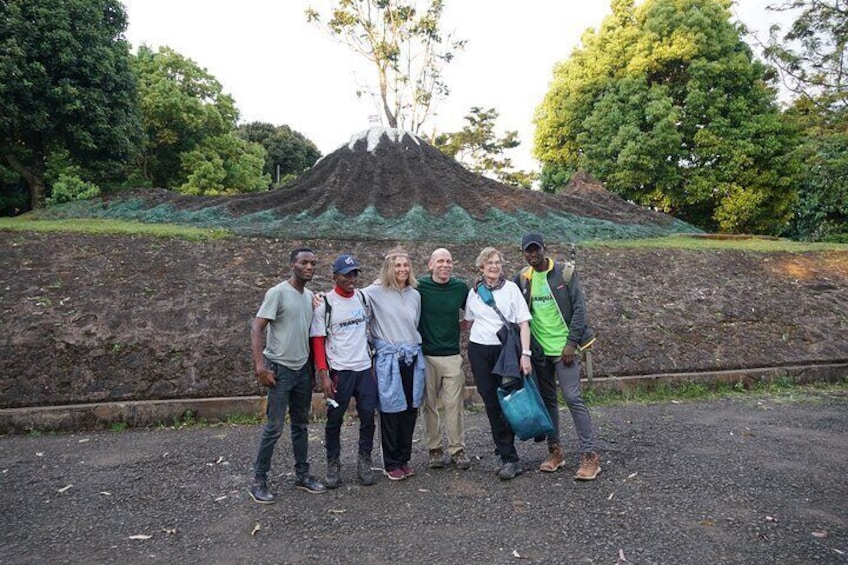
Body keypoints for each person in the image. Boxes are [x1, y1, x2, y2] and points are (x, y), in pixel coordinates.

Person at [514, 233, 601, 480]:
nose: (532, 255)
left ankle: (589, 457)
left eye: (536, 250)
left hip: (565, 351)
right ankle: (555, 451)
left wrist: (571, 343)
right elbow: (503, 290)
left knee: (573, 398)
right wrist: (480, 283)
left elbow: (580, 310)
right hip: (541, 352)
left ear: (545, 248)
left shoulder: (565, 273)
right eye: (527, 251)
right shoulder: (523, 278)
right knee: (548, 401)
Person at [249, 247, 327, 504]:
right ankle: (259, 480)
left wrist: (312, 370)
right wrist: (261, 367)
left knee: (301, 426)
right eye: (304, 263)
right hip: (280, 370)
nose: (310, 267)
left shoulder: (309, 296)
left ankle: (302, 475)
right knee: (274, 427)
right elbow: (257, 327)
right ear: (292, 265)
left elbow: (308, 333)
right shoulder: (278, 293)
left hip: (301, 370)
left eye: (313, 263)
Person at [464, 247, 532, 480]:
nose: (494, 266)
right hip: (479, 350)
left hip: (506, 352)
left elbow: (524, 323)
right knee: (491, 402)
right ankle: (504, 453)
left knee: (509, 400)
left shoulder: (511, 290)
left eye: (498, 262)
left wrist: (525, 354)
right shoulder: (474, 292)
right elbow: (470, 322)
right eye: (489, 263)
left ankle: (509, 456)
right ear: (481, 267)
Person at [310, 253, 378, 488]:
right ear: (334, 277)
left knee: (368, 416)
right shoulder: (325, 305)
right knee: (334, 419)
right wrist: (324, 374)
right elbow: (318, 340)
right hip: (339, 372)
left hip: (364, 369)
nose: (351, 278)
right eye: (346, 274)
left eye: (354, 273)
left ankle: (364, 460)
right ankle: (333, 463)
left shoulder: (362, 298)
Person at [363, 246, 424, 481]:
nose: (402, 269)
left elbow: (415, 323)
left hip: (411, 357)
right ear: (389, 267)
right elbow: (352, 303)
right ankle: (391, 462)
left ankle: (404, 458)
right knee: (391, 410)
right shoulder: (373, 293)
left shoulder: (414, 294)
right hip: (389, 359)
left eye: (405, 265)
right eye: (397, 265)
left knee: (410, 409)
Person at [417, 248, 471, 470]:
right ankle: (434, 449)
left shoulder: (460, 288)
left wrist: (462, 326)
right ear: (430, 265)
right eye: (440, 261)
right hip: (426, 355)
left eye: (449, 261)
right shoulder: (419, 287)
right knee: (428, 405)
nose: (445, 265)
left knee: (453, 405)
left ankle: (457, 449)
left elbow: (474, 311)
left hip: (451, 355)